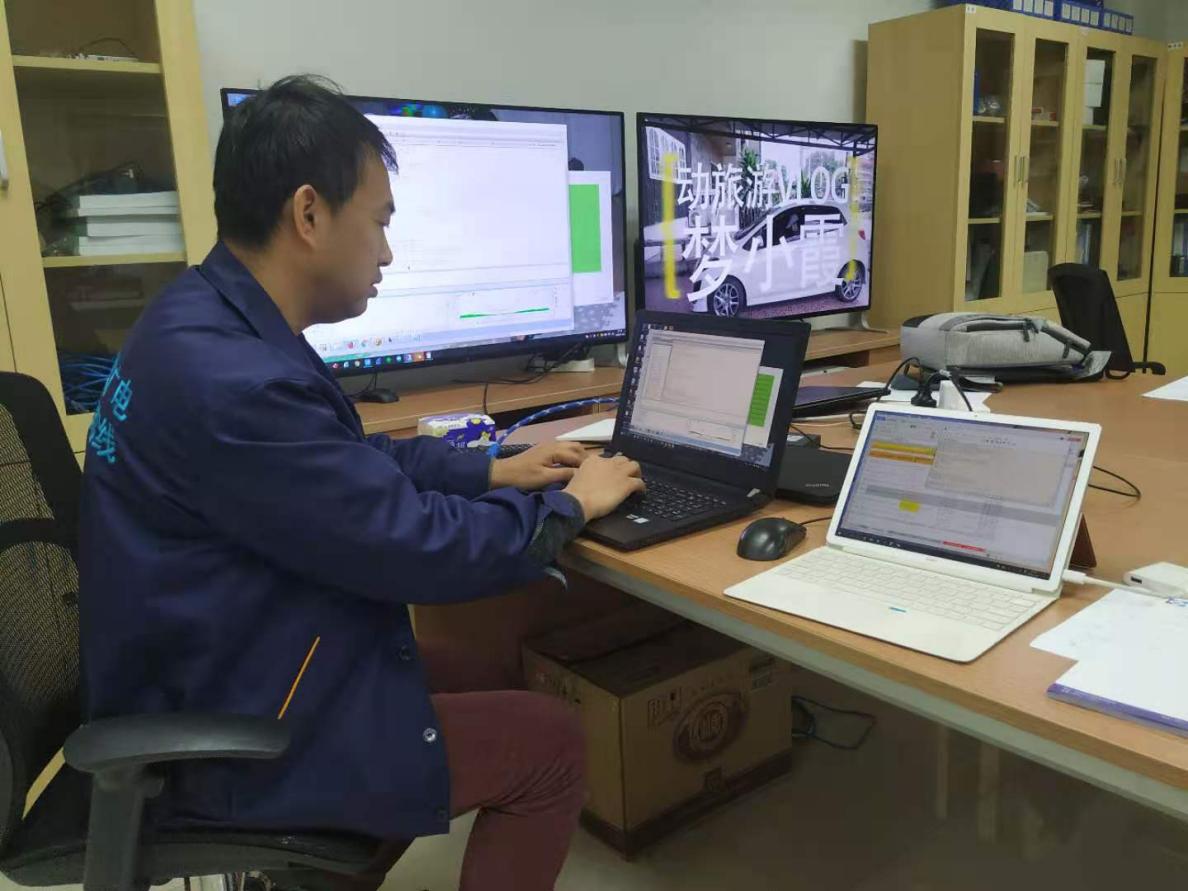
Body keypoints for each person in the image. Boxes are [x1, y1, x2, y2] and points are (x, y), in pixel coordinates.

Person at [78, 75, 644, 891]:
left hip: (212, 657)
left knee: (470, 669)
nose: (386, 252)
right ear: (309, 215)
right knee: (551, 743)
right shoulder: (237, 380)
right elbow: (416, 549)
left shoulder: (207, 317)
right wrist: (570, 505)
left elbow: (341, 462)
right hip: (223, 731)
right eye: (379, 221)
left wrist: (491, 467)